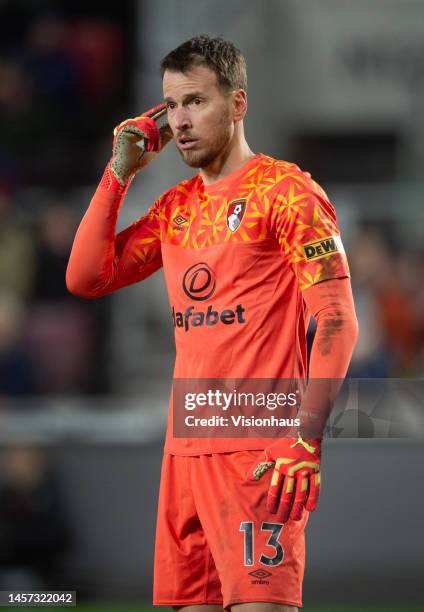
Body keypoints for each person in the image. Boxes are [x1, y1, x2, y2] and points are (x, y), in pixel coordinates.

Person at [66, 35, 358, 612]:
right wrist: (116, 174)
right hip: (186, 446)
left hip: (260, 447)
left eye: (196, 101)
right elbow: (85, 279)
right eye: (171, 105)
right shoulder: (177, 208)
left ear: (238, 104)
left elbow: (337, 321)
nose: (179, 121)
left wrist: (306, 438)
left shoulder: (288, 193)